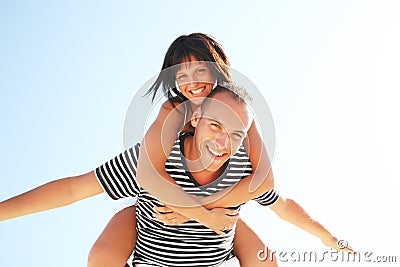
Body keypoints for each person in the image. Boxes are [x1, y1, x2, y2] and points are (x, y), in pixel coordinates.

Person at [0, 84, 353, 267]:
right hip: (152, 254)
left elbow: (283, 205)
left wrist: (329, 238)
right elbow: (76, 189)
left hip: (212, 256)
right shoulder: (155, 161)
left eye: (235, 135)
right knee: (101, 259)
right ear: (195, 120)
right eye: (215, 125)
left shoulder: (242, 176)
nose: (221, 142)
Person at [88, 32, 278, 267]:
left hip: (216, 220)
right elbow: (146, 175)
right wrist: (202, 214)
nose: (193, 82)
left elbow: (265, 182)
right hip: (160, 223)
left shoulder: (238, 111)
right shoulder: (174, 110)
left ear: (216, 68)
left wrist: (196, 210)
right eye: (182, 75)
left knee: (264, 258)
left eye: (200, 70)